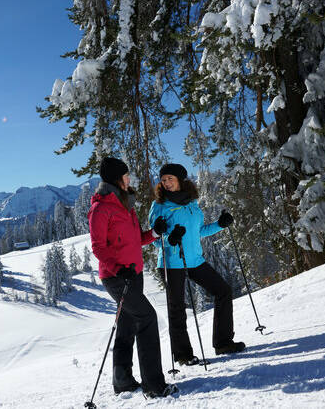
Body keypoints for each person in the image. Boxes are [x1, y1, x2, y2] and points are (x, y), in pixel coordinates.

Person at [88, 157, 179, 398]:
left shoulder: (126, 204)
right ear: (117, 179)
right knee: (147, 317)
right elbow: (97, 247)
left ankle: (123, 380)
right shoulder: (101, 208)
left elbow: (137, 239)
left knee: (128, 323)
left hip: (134, 274)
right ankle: (154, 385)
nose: (130, 179)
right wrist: (118, 269)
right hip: (116, 276)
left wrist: (154, 233)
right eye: (126, 176)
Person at [149, 163, 245, 366]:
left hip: (194, 260)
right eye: (163, 179)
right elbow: (155, 238)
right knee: (177, 308)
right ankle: (183, 355)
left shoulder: (192, 203)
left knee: (223, 291)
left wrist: (220, 224)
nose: (166, 183)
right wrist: (170, 239)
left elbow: (199, 231)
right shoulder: (159, 205)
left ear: (181, 181)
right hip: (171, 262)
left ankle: (223, 343)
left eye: (170, 179)